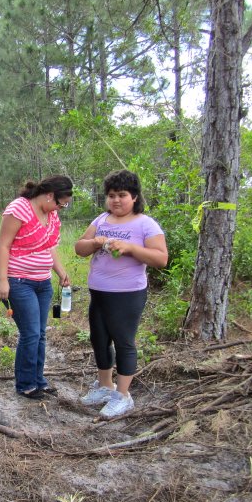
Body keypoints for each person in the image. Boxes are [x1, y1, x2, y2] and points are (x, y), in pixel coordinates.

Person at [74, 169, 168, 418]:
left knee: (124, 341)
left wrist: (130, 248)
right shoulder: (101, 220)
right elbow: (79, 248)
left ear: (135, 197)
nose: (116, 200)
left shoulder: (145, 224)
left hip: (127, 293)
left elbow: (161, 258)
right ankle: (105, 386)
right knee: (99, 338)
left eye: (122, 195)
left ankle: (123, 395)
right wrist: (95, 242)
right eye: (111, 195)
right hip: (99, 291)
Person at [0, 175, 73, 400]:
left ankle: (39, 380)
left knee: (40, 335)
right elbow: (3, 245)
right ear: (49, 195)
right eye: (61, 203)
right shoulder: (19, 208)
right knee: (30, 334)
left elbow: (50, 248)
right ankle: (25, 384)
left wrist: (61, 273)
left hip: (43, 282)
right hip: (19, 281)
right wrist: (3, 280)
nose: (61, 207)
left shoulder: (52, 214)